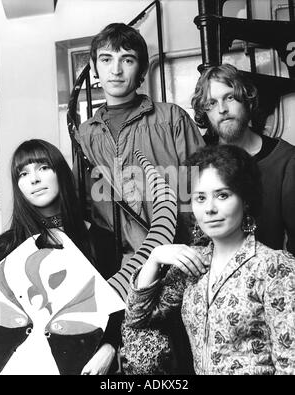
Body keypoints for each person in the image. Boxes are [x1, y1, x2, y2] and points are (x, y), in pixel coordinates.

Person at [125, 144, 295, 375]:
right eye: (200, 198)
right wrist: (154, 258)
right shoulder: (193, 262)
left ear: (245, 200)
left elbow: (290, 363)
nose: (210, 209)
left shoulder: (275, 267)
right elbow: (137, 317)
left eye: (222, 195)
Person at [75, 22, 204, 276]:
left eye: (127, 60)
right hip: (123, 268)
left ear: (142, 68)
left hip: (181, 261)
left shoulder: (171, 119)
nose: (116, 70)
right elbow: (84, 205)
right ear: (94, 68)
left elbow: (203, 187)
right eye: (106, 59)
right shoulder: (85, 134)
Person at [0, 139, 121, 375]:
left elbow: (117, 310)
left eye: (43, 167)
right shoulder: (4, 247)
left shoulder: (101, 241)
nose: (34, 179)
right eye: (23, 173)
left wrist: (109, 347)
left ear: (60, 173)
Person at [191, 63, 295, 256]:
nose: (222, 109)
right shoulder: (193, 159)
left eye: (230, 97)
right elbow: (185, 229)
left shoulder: (286, 159)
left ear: (247, 100)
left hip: (267, 276)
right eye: (211, 103)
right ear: (204, 112)